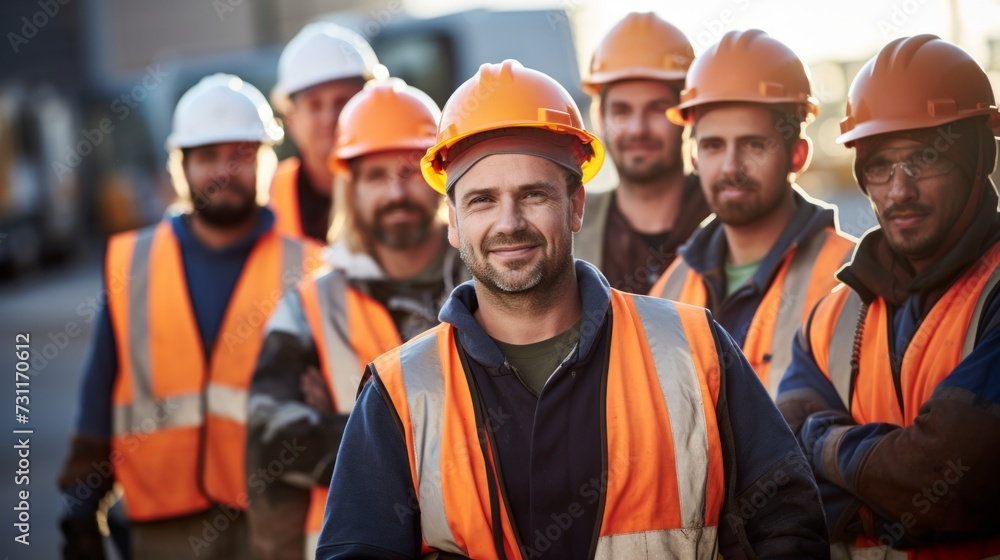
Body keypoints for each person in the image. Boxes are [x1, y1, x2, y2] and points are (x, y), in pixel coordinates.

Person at [316, 59, 829, 560]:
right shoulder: (401, 393)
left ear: (577, 205)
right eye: (482, 201)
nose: (509, 222)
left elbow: (788, 523)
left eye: (533, 194)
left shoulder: (692, 348)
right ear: (452, 221)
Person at [57, 74, 322, 560]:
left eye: (241, 154)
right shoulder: (132, 265)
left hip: (278, 515)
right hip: (165, 524)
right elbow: (101, 384)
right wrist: (82, 499)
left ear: (268, 162)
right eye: (207, 157)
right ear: (180, 167)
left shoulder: (311, 268)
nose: (225, 170)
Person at [777, 35, 1000, 558]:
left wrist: (824, 443)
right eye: (880, 166)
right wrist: (883, 497)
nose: (900, 190)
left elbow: (945, 480)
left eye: (925, 157)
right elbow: (778, 474)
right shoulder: (834, 314)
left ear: (977, 158)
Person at [245, 79, 466, 560]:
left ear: (439, 178)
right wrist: (447, 446)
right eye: (375, 175)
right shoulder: (307, 307)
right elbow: (271, 431)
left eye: (410, 171)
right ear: (351, 186)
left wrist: (342, 425)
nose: (395, 191)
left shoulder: (490, 285)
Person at [649, 30, 855, 397]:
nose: (731, 166)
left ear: (798, 155)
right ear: (694, 156)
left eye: (753, 145)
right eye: (713, 146)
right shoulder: (668, 290)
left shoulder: (851, 277)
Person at [576, 12, 711, 293]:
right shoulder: (568, 230)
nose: (638, 129)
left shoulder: (733, 219)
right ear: (600, 118)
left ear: (688, 115)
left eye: (656, 108)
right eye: (622, 111)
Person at [269, 22, 382, 242]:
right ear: (291, 119)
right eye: (315, 105)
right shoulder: (268, 197)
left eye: (342, 102)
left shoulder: (404, 181)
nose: (329, 118)